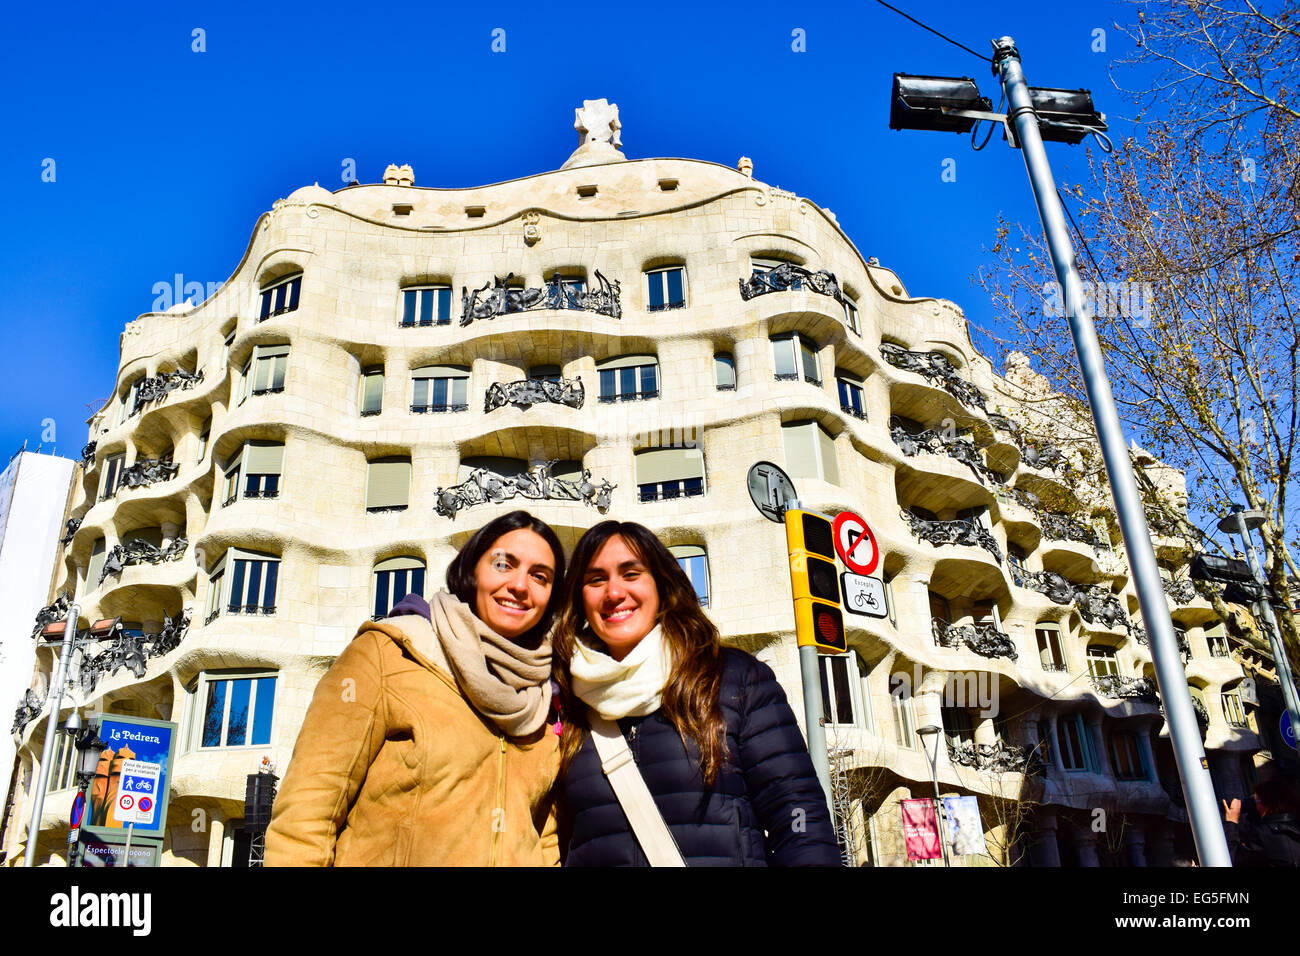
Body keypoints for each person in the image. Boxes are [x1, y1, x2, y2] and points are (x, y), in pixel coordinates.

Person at [265, 510, 566, 866]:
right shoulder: (389, 653)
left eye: (540, 577)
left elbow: (543, 838)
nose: (520, 585)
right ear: (471, 570)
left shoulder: (543, 696)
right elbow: (306, 813)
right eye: (503, 565)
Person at [552, 520, 841, 866]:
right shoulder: (564, 698)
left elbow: (797, 816)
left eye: (631, 574)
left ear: (661, 585)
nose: (614, 593)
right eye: (596, 579)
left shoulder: (734, 679)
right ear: (579, 598)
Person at [1223, 779, 1300, 867]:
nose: (1256, 805)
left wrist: (1231, 822)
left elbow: (1232, 858)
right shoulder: (1294, 826)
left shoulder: (1264, 835)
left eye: (1257, 801)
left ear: (1268, 804)